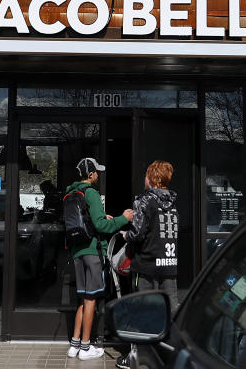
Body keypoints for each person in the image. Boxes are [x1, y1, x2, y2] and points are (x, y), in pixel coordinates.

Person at [66, 157, 134, 361]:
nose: (98, 175)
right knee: (92, 298)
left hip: (77, 252)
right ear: (90, 174)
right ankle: (86, 347)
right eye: (96, 172)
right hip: (93, 251)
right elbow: (101, 227)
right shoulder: (92, 193)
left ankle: (75, 345)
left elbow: (90, 221)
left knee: (83, 298)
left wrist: (105, 218)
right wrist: (124, 219)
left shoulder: (71, 193)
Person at [116, 160, 179, 369]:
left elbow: (138, 232)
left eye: (146, 175)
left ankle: (138, 358)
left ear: (151, 178)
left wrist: (126, 234)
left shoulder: (144, 201)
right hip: (169, 264)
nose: (144, 179)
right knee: (169, 312)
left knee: (142, 310)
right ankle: (169, 354)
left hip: (146, 266)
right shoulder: (172, 201)